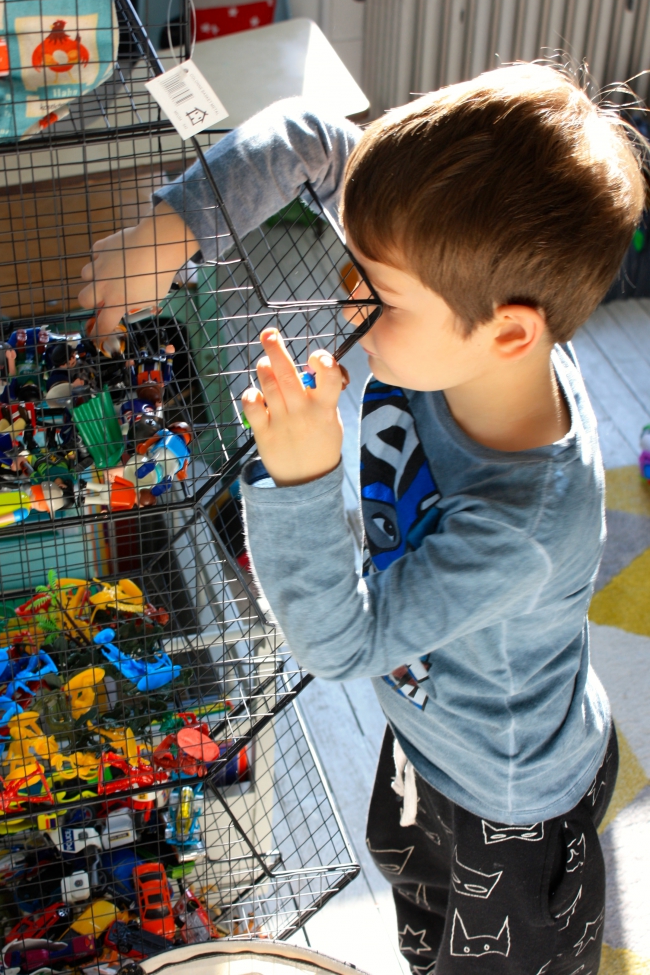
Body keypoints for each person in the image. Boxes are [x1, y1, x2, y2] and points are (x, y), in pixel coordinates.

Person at [78, 63, 641, 974]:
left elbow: (343, 644)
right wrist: (167, 230)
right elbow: (312, 136)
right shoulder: (453, 295)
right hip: (429, 741)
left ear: (508, 333)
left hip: (513, 811)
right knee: (422, 935)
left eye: (377, 297)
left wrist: (302, 480)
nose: (349, 304)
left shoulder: (524, 529)